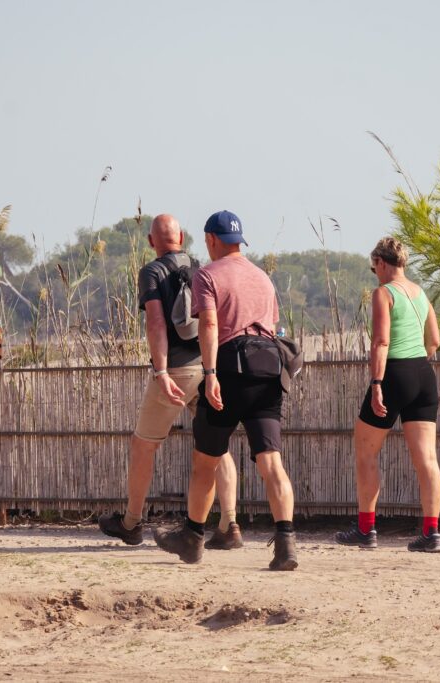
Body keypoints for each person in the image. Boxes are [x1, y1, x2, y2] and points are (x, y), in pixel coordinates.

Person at [154, 210, 298, 570]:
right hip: (268, 370)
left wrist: (211, 373)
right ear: (240, 241)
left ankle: (192, 538)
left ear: (211, 240)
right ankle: (286, 544)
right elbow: (273, 327)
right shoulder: (263, 277)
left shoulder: (206, 275)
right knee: (270, 461)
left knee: (206, 460)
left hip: (230, 368)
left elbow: (211, 325)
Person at [98, 214, 243, 550]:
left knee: (144, 445)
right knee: (216, 447)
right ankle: (230, 523)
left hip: (177, 371)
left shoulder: (151, 272)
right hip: (209, 370)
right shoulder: (202, 268)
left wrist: (161, 371)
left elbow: (156, 324)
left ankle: (132, 523)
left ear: (152, 242)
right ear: (183, 237)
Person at [334, 236, 440, 552]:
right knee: (427, 460)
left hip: (394, 373)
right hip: (423, 375)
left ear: (382, 263)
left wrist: (377, 384)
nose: (375, 273)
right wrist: (416, 361)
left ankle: (366, 530)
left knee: (366, 452)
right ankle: (431, 534)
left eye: (374, 268)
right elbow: (434, 340)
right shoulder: (421, 293)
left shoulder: (384, 293)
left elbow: (381, 341)